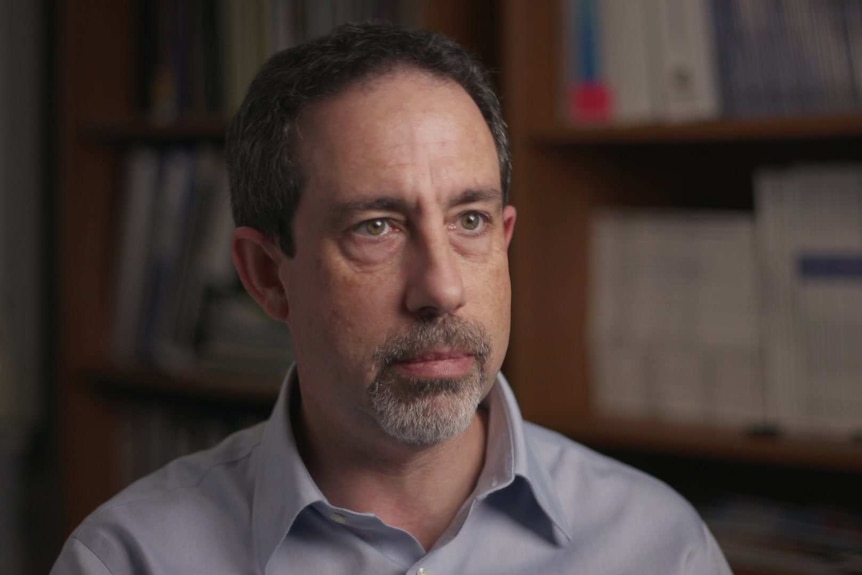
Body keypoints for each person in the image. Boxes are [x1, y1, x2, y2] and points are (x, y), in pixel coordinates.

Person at [52, 22, 732, 575]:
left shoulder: (659, 548)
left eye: (471, 220)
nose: (442, 287)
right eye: (375, 227)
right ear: (265, 273)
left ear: (506, 238)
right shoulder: (129, 558)